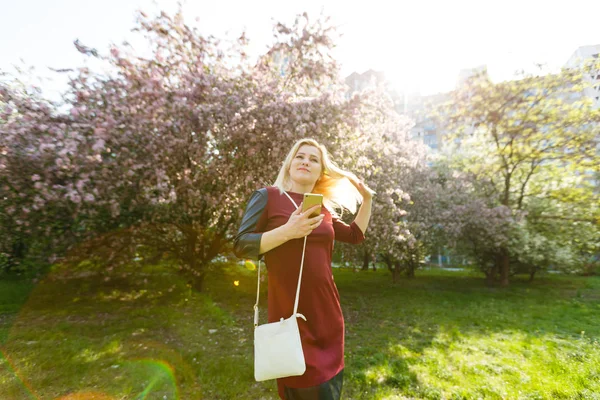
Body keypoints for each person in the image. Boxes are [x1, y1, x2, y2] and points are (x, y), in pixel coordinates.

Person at [233, 138, 374, 400]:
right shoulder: (268, 197)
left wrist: (367, 199)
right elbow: (242, 245)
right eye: (300, 156)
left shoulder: (321, 208)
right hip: (292, 319)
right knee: (303, 388)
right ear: (289, 164)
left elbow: (355, 235)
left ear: (321, 171)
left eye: (313, 159)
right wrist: (288, 231)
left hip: (328, 317)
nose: (305, 162)